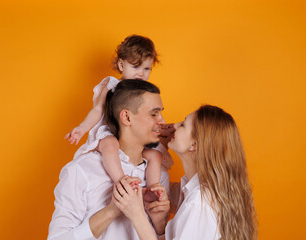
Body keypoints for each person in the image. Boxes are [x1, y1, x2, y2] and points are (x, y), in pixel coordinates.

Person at [48, 80, 171, 240]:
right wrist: (111, 210)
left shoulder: (159, 175)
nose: (162, 120)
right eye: (154, 114)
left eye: (161, 113)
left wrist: (160, 222)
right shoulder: (81, 171)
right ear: (126, 117)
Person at [114, 105, 258, 240]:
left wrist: (137, 215)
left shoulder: (198, 204)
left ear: (194, 144)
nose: (174, 126)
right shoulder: (194, 190)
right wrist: (160, 224)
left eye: (183, 124)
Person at [64, 35, 174, 195]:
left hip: (135, 137)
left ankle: (153, 188)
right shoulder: (111, 86)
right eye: (136, 67)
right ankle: (121, 180)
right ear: (121, 65)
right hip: (111, 131)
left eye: (146, 69)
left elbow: (148, 118)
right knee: (109, 144)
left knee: (155, 155)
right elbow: (98, 109)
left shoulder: (145, 91)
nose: (141, 74)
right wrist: (82, 128)